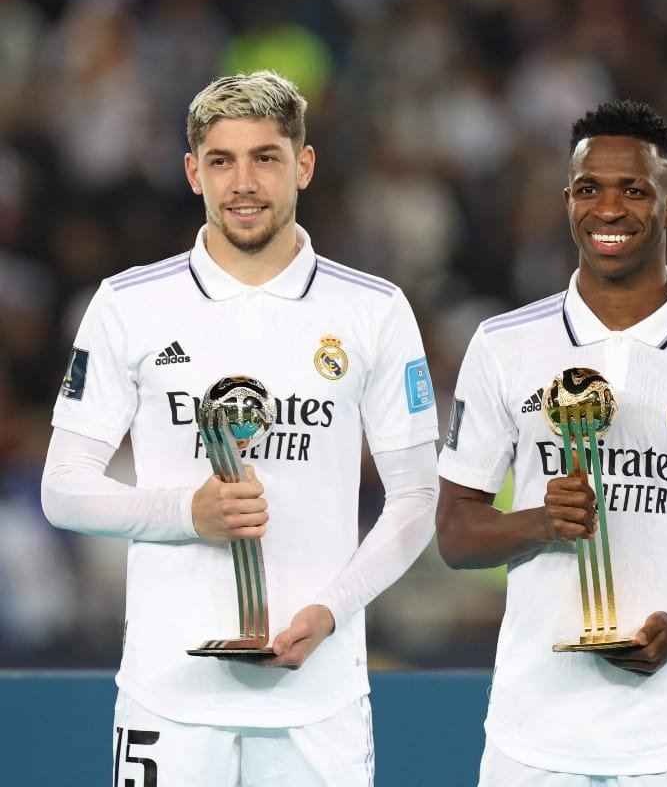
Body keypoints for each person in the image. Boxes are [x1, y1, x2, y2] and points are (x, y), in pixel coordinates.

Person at [41, 71, 439, 785]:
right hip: (168, 698)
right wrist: (183, 513)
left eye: (266, 157)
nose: (244, 182)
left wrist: (333, 610)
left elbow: (417, 498)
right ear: (194, 173)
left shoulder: (372, 311)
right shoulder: (129, 305)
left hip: (318, 698)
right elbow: (62, 490)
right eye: (222, 161)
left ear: (304, 166)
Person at [435, 99, 667, 785]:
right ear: (567, 201)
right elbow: (456, 535)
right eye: (589, 189)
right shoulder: (503, 346)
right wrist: (540, 522)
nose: (608, 209)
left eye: (634, 190)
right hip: (532, 732)